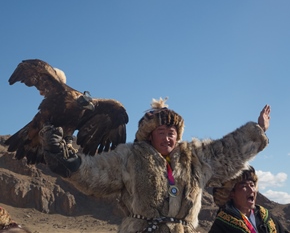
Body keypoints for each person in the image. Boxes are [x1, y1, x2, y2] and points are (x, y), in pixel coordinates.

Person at [40, 97, 271, 233]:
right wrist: (69, 162)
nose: (168, 137)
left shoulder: (196, 158)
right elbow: (96, 172)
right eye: (162, 132)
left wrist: (258, 132)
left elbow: (226, 152)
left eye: (172, 132)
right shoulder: (129, 157)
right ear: (150, 135)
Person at [209, 166, 289, 233]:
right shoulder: (222, 224)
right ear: (231, 193)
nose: (251, 190)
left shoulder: (265, 217)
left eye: (252, 185)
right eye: (244, 186)